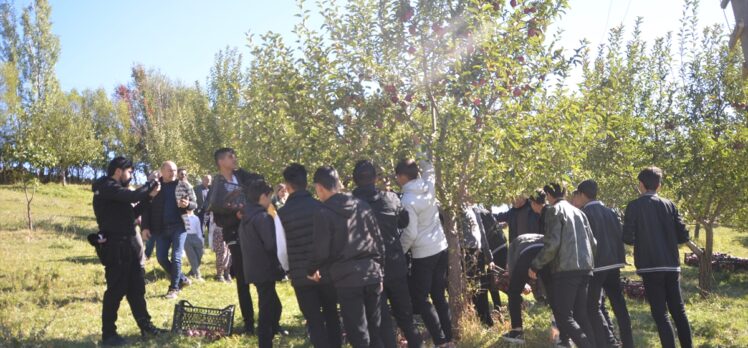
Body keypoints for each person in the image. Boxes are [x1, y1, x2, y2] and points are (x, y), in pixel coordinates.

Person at [91, 157, 167, 346]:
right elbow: (133, 197)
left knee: (136, 288)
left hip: (129, 245)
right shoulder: (107, 187)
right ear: (119, 171)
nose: (131, 175)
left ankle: (146, 326)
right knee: (116, 290)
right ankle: (109, 334)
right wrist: (149, 184)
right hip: (116, 247)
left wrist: (149, 197)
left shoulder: (116, 193)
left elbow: (132, 214)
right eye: (130, 172)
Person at [308, 166, 385, 348]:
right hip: (372, 272)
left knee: (358, 333)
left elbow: (321, 250)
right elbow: (378, 241)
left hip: (346, 278)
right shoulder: (362, 205)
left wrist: (311, 269)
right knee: (375, 331)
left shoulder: (323, 213)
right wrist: (380, 270)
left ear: (319, 187)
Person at [352, 160, 423, 348]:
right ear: (375, 178)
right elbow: (403, 222)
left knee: (381, 322)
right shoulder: (390, 198)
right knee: (406, 317)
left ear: (354, 180)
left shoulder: (350, 204)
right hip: (395, 264)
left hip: (370, 270)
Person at [623, 167, 692, 348]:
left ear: (640, 185)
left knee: (661, 314)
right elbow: (683, 236)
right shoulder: (670, 205)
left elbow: (628, 238)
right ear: (659, 186)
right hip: (671, 265)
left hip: (650, 266)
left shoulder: (634, 206)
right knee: (679, 311)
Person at [277, 163, 342, 348]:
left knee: (314, 320)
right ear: (307, 183)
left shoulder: (281, 214)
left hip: (300, 274)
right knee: (331, 315)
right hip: (326, 271)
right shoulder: (321, 207)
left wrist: (288, 270)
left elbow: (281, 250)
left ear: (287, 186)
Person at [529, 183, 597, 348]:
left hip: (566, 270)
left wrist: (535, 265)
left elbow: (552, 244)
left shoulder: (554, 210)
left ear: (549, 195)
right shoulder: (579, 211)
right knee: (581, 316)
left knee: (563, 316)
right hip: (585, 269)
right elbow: (593, 243)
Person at [396, 157, 453, 347]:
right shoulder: (428, 186)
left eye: (397, 176)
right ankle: (449, 338)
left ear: (402, 176)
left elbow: (410, 233)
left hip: (423, 253)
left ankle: (440, 341)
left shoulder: (407, 200)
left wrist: (400, 251)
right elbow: (429, 167)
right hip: (441, 247)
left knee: (420, 300)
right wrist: (419, 146)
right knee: (438, 295)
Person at [207, 147, 264, 335]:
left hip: (254, 231)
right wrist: (236, 216)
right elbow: (218, 218)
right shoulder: (218, 184)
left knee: (263, 278)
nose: (235, 159)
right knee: (243, 279)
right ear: (221, 162)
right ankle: (249, 322)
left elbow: (259, 183)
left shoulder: (243, 175)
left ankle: (269, 319)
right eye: (231, 157)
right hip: (234, 234)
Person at [576, 180, 633, 348]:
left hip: (596, 266)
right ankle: (628, 344)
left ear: (582, 194)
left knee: (591, 307)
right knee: (619, 305)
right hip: (614, 263)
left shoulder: (583, 214)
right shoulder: (611, 212)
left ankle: (604, 343)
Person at [238, 180, 285, 348]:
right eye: (269, 197)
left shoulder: (246, 216)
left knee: (273, 303)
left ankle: (271, 332)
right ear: (263, 196)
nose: (270, 201)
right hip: (265, 267)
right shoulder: (262, 217)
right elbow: (271, 244)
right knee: (266, 308)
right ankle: (265, 341)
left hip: (253, 267)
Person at [141, 161, 197, 299]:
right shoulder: (155, 186)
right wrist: (145, 227)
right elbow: (145, 207)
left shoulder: (183, 185)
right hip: (160, 228)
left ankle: (174, 289)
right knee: (161, 258)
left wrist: (188, 204)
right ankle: (182, 279)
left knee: (176, 257)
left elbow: (195, 204)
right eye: (170, 170)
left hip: (179, 226)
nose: (173, 173)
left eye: (174, 170)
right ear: (162, 171)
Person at [461, 201, 495, 327]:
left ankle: (486, 320)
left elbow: (482, 233)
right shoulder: (456, 208)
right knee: (472, 289)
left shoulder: (475, 209)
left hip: (478, 252)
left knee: (482, 288)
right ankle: (475, 321)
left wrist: (489, 257)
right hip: (465, 252)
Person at [143, 170, 161, 260]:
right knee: (150, 240)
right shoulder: (146, 189)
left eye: (157, 176)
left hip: (160, 220)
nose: (155, 177)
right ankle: (146, 255)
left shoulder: (162, 188)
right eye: (153, 176)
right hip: (149, 220)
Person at [183, 208, 205, 280]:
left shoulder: (196, 218)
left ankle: (192, 272)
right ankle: (197, 275)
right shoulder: (183, 217)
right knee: (192, 257)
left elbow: (199, 230)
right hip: (186, 236)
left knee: (199, 254)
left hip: (195, 236)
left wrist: (201, 241)